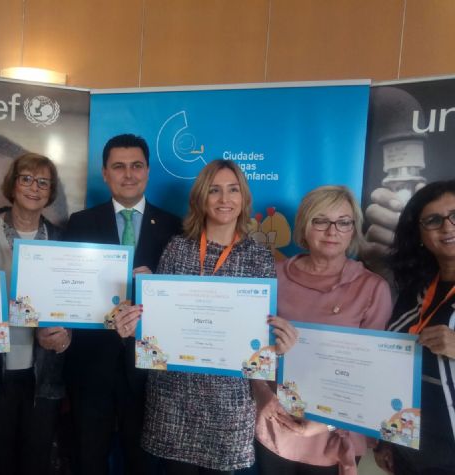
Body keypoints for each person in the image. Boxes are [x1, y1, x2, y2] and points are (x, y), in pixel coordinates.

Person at [115, 159, 298, 474]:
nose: (224, 199)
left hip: (229, 407)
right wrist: (135, 326)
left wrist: (276, 347)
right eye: (214, 190)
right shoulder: (177, 249)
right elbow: (159, 325)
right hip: (173, 400)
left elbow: (259, 337)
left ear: (244, 198)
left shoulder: (259, 258)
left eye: (233, 190)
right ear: (201, 197)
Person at [63, 133, 182, 475]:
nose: (128, 174)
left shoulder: (175, 226)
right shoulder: (80, 222)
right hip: (91, 362)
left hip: (148, 368)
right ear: (104, 173)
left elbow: (181, 298)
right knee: (89, 457)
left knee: (142, 462)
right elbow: (66, 290)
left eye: (136, 166)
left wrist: (154, 286)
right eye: (118, 166)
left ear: (148, 171)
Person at [253, 185, 392, 475]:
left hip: (333, 436)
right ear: (304, 225)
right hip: (275, 425)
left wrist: (327, 422)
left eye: (343, 222)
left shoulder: (372, 288)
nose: (332, 231)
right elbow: (251, 349)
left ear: (353, 230)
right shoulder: (273, 276)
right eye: (321, 221)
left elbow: (374, 373)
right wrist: (263, 397)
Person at [0, 152, 71, 474]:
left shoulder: (61, 238)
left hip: (43, 374)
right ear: (12, 184)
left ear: (50, 192)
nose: (34, 187)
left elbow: (73, 304)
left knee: (35, 461)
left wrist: (66, 336)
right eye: (26, 179)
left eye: (43, 182)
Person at [374, 180, 455, 474]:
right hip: (410, 446)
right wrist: (386, 439)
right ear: (419, 235)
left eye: (454, 216)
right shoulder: (414, 290)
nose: (447, 227)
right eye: (433, 220)